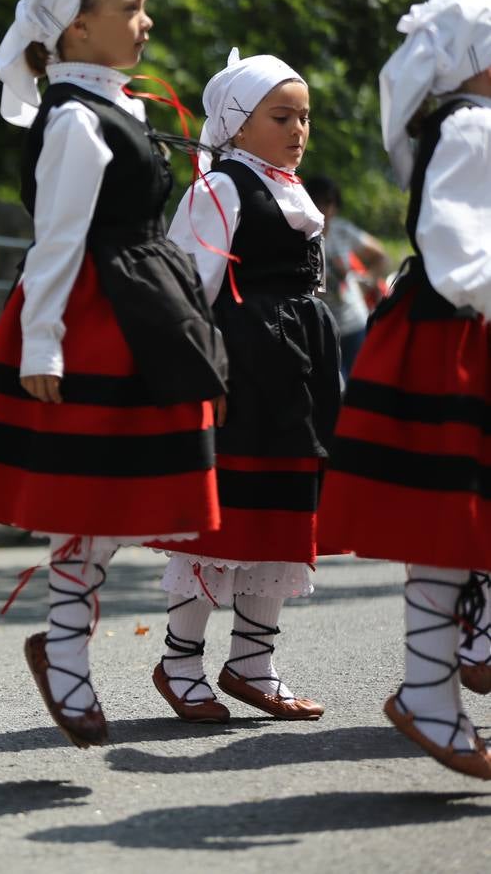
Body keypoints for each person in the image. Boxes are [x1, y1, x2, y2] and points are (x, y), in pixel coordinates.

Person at [0, 0, 227, 748]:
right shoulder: (72, 118)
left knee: (119, 497)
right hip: (94, 317)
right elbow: (56, 239)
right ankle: (65, 644)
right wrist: (43, 341)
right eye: (130, 7)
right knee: (86, 497)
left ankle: (64, 638)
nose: (147, 20)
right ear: (74, 28)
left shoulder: (116, 104)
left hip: (139, 310)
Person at [318, 0, 491, 779]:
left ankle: (443, 675)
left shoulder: (465, 125)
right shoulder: (469, 127)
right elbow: (454, 250)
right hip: (456, 338)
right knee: (444, 523)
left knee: (456, 525)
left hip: (457, 331)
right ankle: (431, 688)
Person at [147, 51, 340, 726]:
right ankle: (179, 659)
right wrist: (201, 372)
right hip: (241, 366)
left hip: (296, 371)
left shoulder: (290, 189)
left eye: (304, 117)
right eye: (281, 116)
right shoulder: (221, 187)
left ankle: (253, 661)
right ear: (234, 123)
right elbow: (184, 288)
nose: (298, 129)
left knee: (280, 510)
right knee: (224, 515)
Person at [305, 175, 392, 380]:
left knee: (359, 386)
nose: (324, 207)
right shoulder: (302, 233)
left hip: (354, 321)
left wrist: (365, 281)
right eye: (318, 200)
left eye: (329, 201)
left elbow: (381, 255)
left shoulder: (342, 230)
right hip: (321, 327)